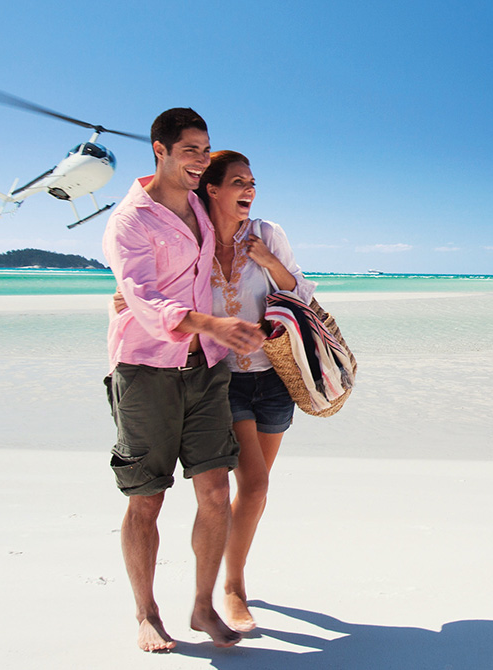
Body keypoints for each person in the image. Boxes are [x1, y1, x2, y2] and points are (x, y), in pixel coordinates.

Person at [101, 108, 265, 653]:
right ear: (160, 149)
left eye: (205, 149)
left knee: (216, 494)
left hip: (206, 368)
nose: (199, 159)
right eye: (190, 149)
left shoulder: (198, 204)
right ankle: (147, 612)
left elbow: (233, 224)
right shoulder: (130, 221)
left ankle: (201, 607)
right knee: (147, 498)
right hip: (145, 370)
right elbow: (146, 301)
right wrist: (211, 321)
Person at [196, 150, 318, 633]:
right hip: (221, 377)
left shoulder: (268, 234)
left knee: (253, 490)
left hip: (274, 376)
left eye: (252, 182)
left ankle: (226, 571)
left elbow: (301, 293)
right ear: (212, 188)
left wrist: (269, 262)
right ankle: (233, 586)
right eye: (238, 182)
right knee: (256, 484)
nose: (249, 189)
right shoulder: (194, 238)